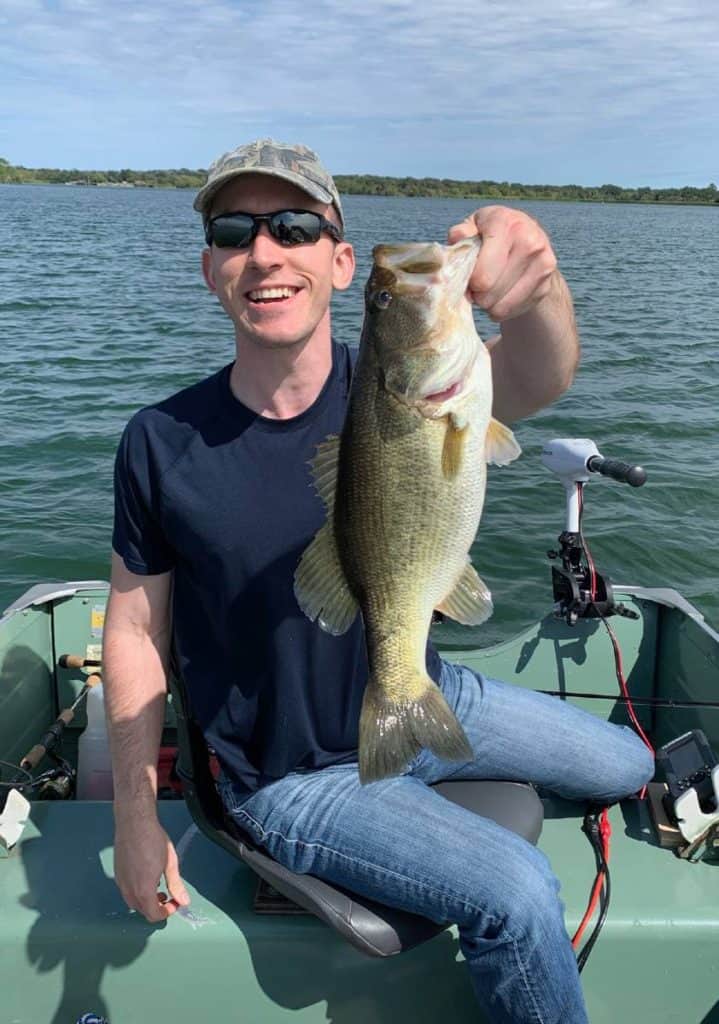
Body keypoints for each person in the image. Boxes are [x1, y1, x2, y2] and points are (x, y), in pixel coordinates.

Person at [104, 139, 654, 1024]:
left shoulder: (410, 383)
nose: (265, 252)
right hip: (288, 775)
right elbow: (131, 631)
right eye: (235, 231)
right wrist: (135, 820)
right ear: (211, 267)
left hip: (425, 688)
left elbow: (538, 375)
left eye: (293, 226)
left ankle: (414, 754)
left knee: (631, 765)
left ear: (340, 260)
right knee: (514, 891)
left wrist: (538, 287)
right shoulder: (159, 443)